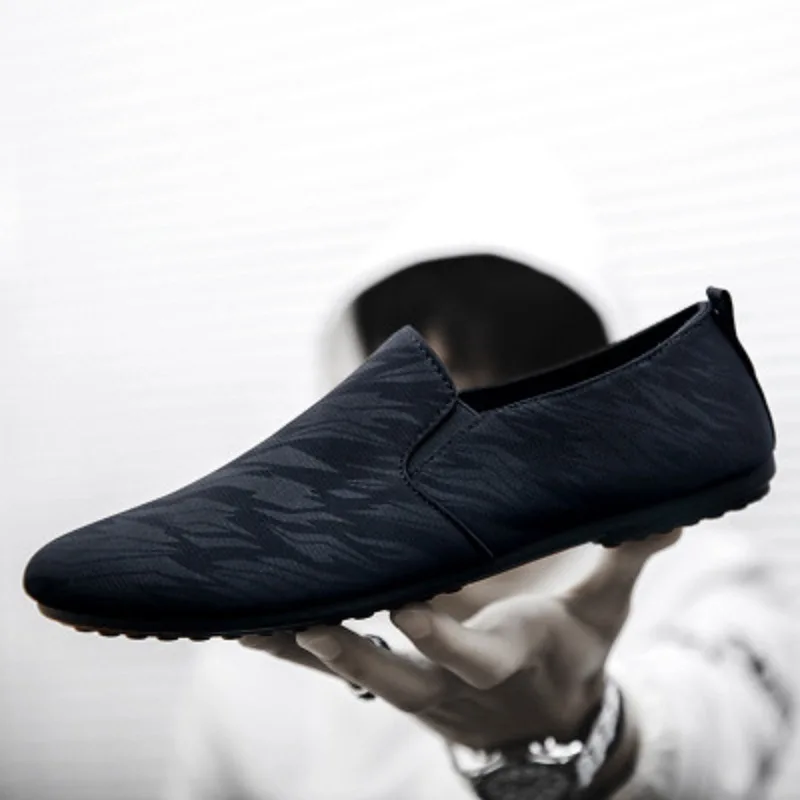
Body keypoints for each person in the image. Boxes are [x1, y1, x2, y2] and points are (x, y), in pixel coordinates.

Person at [163, 139, 796, 799]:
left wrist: (587, 734)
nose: (443, 400)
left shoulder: (698, 581)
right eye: (403, 355)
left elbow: (714, 730)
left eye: (502, 350)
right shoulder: (265, 640)